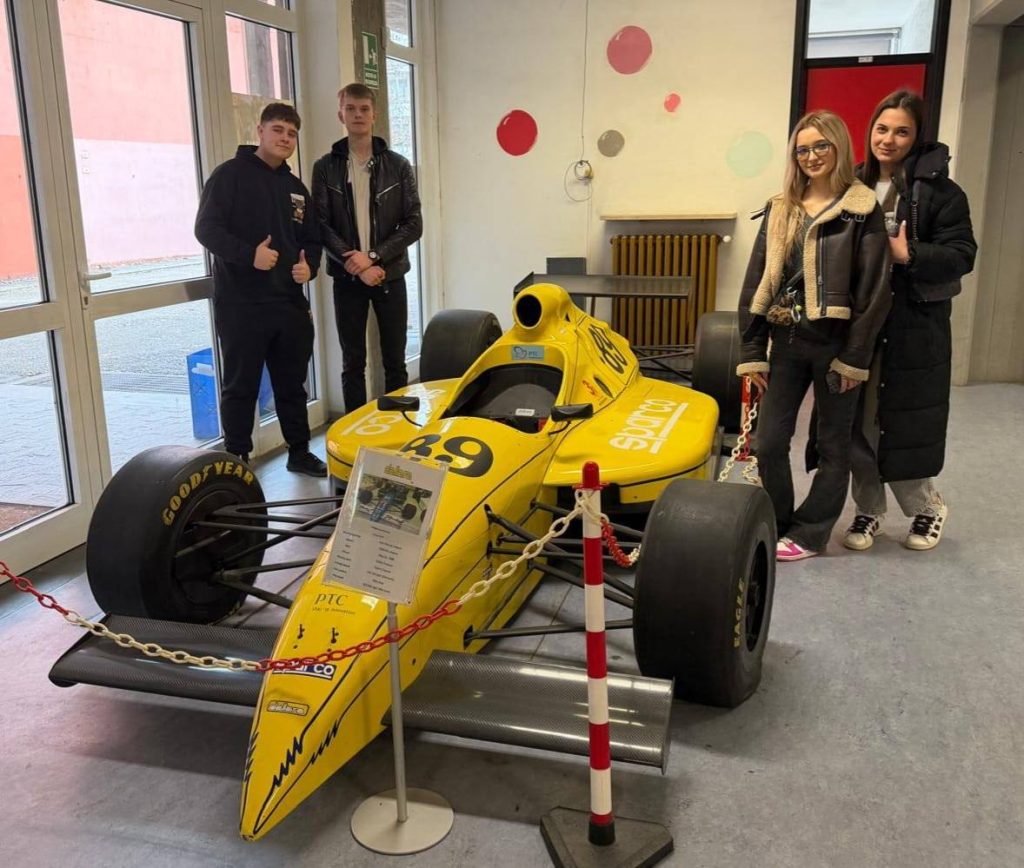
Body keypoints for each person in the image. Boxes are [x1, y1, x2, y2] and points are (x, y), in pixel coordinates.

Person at [737, 110, 891, 562]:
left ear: (838, 146)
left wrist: (855, 357)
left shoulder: (861, 208)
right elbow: (756, 280)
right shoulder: (780, 207)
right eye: (802, 149)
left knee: (832, 444)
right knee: (768, 442)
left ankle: (811, 532)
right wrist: (752, 349)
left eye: (821, 145)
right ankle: (778, 521)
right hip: (786, 342)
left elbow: (875, 291)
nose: (811, 156)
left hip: (836, 345)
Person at [842, 90, 977, 552]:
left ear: (917, 137)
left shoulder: (942, 193)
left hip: (914, 326)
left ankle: (927, 507)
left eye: (902, 131)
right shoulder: (852, 184)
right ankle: (868, 509)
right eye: (882, 129)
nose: (889, 139)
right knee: (857, 421)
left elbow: (963, 254)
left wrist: (909, 253)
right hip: (859, 324)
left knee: (903, 421)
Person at [194, 103, 327, 477]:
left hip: (288, 304)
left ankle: (299, 452)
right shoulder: (229, 176)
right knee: (241, 386)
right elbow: (206, 229)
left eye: (291, 133)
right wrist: (249, 255)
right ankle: (238, 461)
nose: (285, 138)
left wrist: (310, 268)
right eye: (278, 130)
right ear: (260, 131)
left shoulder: (295, 188)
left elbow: (312, 239)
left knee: (292, 385)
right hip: (242, 304)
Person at [311, 83, 423, 413]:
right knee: (352, 362)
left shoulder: (398, 166)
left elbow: (414, 223)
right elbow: (321, 224)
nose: (357, 115)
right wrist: (356, 264)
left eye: (364, 109)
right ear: (341, 115)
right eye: (350, 109)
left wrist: (374, 258)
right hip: (347, 278)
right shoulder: (325, 167)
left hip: (389, 275)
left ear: (374, 115)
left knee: (395, 360)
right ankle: (355, 430)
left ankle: (399, 430)